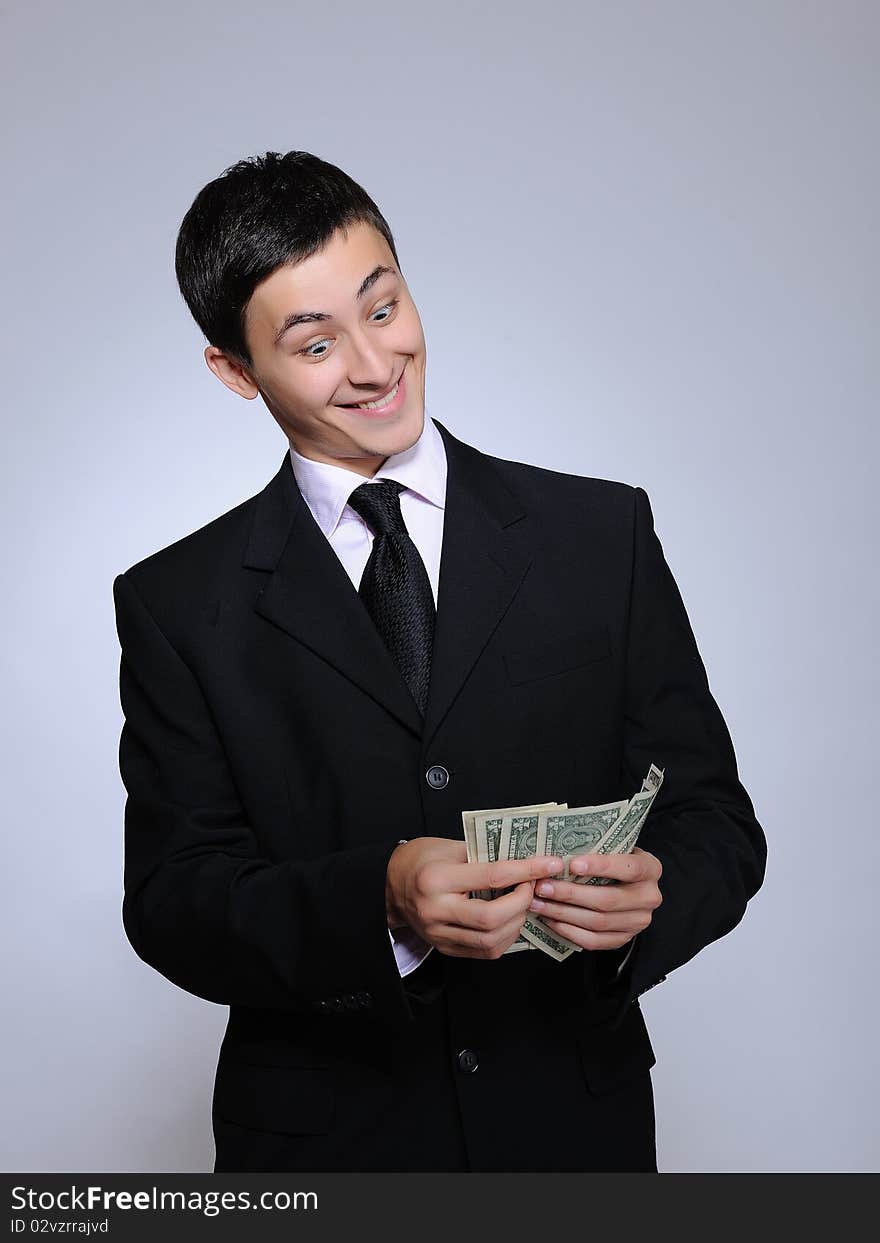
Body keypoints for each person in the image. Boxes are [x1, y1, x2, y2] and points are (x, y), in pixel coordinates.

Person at [113, 150, 766, 1173]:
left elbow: (717, 820)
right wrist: (373, 896)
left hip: (571, 1132)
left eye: (383, 308)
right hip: (326, 1151)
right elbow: (173, 902)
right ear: (234, 371)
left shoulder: (600, 535)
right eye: (315, 342)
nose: (375, 366)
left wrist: (656, 895)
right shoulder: (176, 604)